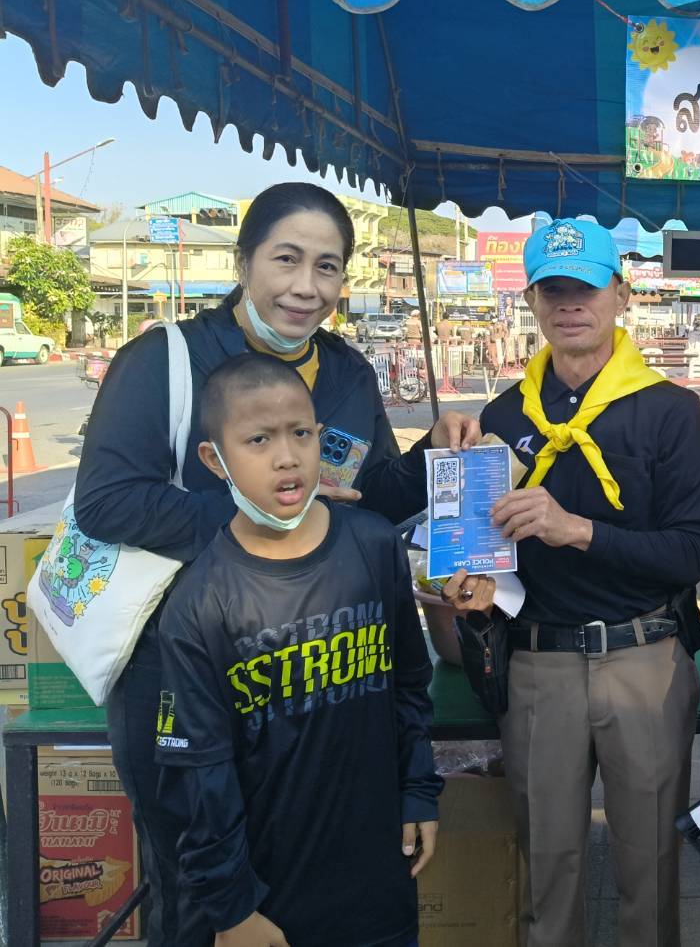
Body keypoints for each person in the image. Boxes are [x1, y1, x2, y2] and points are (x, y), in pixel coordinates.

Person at [71, 183, 482, 944]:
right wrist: (265, 518)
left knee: (316, 884)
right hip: (185, 666)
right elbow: (106, 501)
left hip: (318, 668)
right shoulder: (167, 360)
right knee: (201, 891)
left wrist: (435, 454)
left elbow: (368, 495)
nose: (306, 287)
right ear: (243, 262)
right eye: (285, 259)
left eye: (327, 266)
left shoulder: (347, 371)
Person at [463, 218, 700, 947]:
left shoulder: (669, 411)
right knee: (545, 872)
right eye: (553, 291)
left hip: (644, 659)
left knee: (651, 870)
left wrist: (577, 530)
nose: (570, 305)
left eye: (586, 288)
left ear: (621, 294)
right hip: (538, 664)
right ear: (532, 302)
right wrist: (462, 575)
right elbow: (479, 545)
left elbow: (691, 552)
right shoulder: (502, 415)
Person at [154, 355, 441, 947]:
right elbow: (199, 775)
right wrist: (232, 909)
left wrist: (417, 791)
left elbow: (409, 684)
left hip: (379, 879)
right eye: (258, 440)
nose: (286, 457)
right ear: (215, 459)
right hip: (270, 899)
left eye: (301, 434)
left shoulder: (374, 545)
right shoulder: (200, 604)